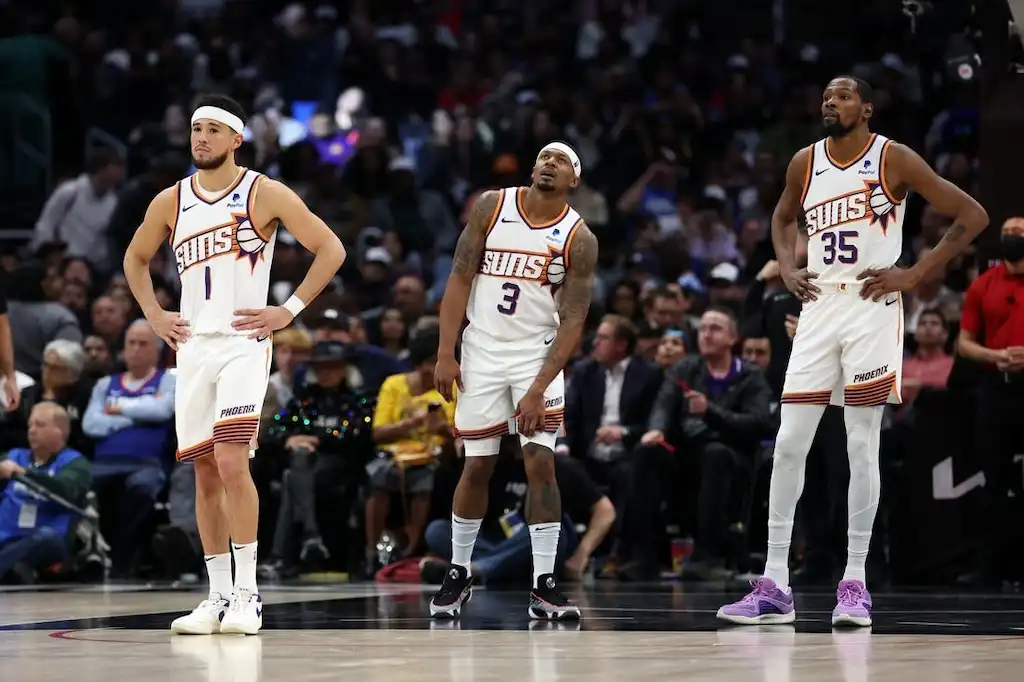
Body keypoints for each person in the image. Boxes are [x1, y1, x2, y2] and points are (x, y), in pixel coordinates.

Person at [718, 76, 988, 627]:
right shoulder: (805, 161)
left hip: (870, 306)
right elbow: (781, 216)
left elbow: (972, 216)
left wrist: (912, 274)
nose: (830, 102)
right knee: (790, 443)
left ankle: (855, 582)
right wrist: (788, 266)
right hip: (818, 307)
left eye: (842, 96)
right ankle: (774, 584)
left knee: (860, 446)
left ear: (865, 108)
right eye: (825, 96)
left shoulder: (893, 157)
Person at [122, 94, 347, 636]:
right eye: (196, 128)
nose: (200, 137)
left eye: (212, 130)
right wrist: (154, 315)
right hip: (193, 346)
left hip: (244, 343)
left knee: (229, 462)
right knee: (202, 472)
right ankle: (216, 596)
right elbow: (135, 257)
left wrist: (287, 311)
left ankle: (248, 592)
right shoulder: (170, 201)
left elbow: (330, 247)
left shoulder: (262, 191)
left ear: (235, 139)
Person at [430, 142, 598, 620]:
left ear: (574, 180)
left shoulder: (579, 238)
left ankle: (544, 583)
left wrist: (539, 386)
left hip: (536, 355)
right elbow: (459, 278)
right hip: (481, 350)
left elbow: (573, 319)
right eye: (544, 156)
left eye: (562, 160)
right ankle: (458, 572)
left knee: (540, 462)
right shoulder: (492, 205)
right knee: (476, 464)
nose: (549, 163)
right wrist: (446, 352)